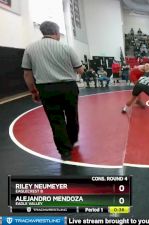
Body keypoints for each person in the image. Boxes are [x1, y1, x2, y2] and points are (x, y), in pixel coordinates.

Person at [21, 21, 84, 161]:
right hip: (68, 87)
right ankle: (72, 140)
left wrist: (33, 91)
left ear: (42, 32)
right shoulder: (66, 48)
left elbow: (27, 74)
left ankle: (65, 151)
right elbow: (80, 70)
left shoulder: (30, 49)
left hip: (46, 88)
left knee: (56, 120)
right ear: (56, 32)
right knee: (72, 115)